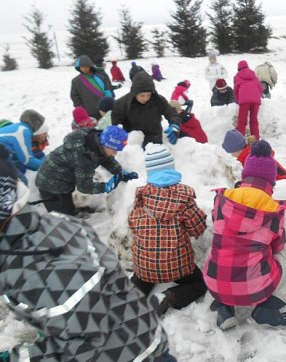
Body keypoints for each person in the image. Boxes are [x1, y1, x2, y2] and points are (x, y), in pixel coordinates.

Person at [0, 148, 175, 362]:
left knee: (148, 276)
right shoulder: (60, 222)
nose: (115, 151)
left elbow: (82, 343)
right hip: (140, 328)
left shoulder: (38, 271)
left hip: (132, 352)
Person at [203, 140, 286, 329]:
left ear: (245, 174)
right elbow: (277, 248)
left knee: (224, 247)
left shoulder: (222, 200)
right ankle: (269, 308)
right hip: (254, 287)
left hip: (216, 284)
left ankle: (225, 309)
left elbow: (217, 225)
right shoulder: (272, 210)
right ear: (271, 180)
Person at [129, 145, 208, 316]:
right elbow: (198, 228)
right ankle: (170, 297)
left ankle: (128, 302)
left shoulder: (141, 197)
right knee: (199, 284)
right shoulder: (183, 198)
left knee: (142, 278)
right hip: (178, 266)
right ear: (171, 168)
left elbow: (132, 224)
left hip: (145, 266)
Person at [35, 125, 138, 216]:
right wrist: (106, 186)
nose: (115, 153)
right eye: (114, 150)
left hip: (62, 179)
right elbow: (84, 187)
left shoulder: (96, 142)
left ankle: (70, 212)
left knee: (67, 207)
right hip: (49, 183)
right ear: (105, 144)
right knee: (62, 218)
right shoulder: (84, 157)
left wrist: (120, 172)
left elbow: (105, 158)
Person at [112, 71, 182, 146]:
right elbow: (117, 124)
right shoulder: (121, 104)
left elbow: (171, 113)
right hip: (133, 142)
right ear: (134, 93)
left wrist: (175, 124)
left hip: (155, 140)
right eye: (142, 95)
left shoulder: (158, 100)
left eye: (148, 95)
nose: (146, 98)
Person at [221, 129, 286, 181]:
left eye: (231, 152)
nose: (231, 155)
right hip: (280, 178)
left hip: (278, 182)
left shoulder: (250, 159)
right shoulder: (250, 152)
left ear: (236, 149)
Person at [0, 109, 48, 174]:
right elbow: (27, 160)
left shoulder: (20, 127)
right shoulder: (23, 132)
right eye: (44, 133)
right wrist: (48, 166)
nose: (45, 135)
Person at [234, 60, 263, 139]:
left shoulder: (237, 76)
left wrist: (237, 100)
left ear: (238, 68)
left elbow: (236, 90)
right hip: (256, 100)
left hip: (244, 101)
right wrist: (257, 96)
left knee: (242, 121)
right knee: (254, 120)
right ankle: (256, 139)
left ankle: (239, 139)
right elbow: (260, 88)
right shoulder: (253, 75)